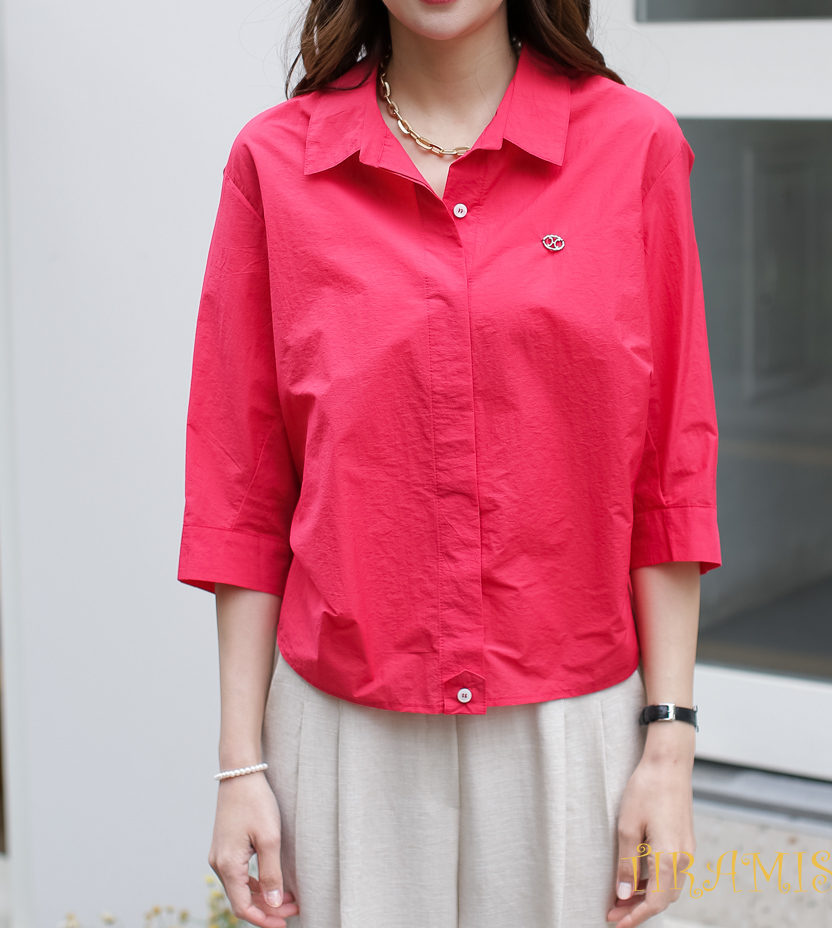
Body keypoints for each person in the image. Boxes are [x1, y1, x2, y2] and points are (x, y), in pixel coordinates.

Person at [177, 0, 722, 924]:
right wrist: (241, 766)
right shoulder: (274, 163)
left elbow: (670, 469)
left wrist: (669, 745)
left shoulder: (634, 147)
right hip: (346, 727)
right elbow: (242, 488)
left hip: (567, 722)